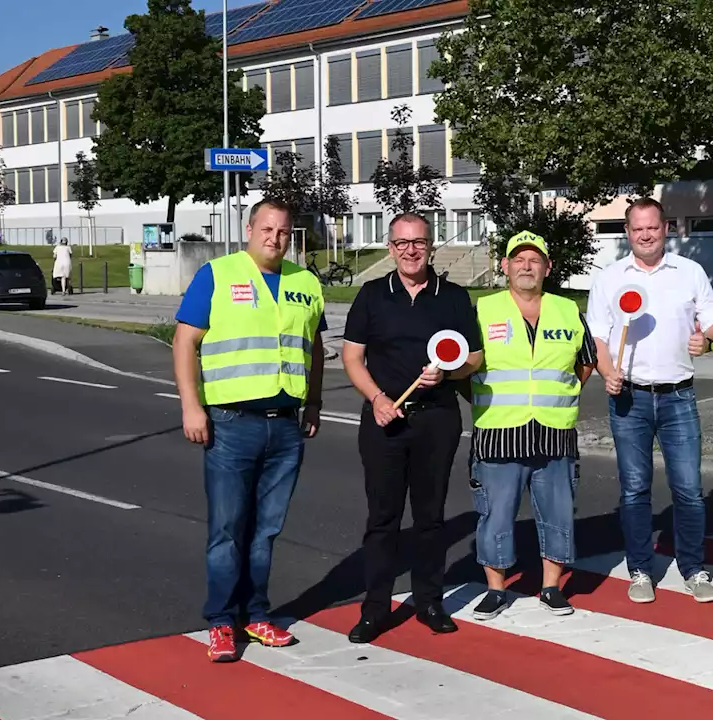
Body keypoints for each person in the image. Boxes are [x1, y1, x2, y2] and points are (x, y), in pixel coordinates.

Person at [171, 198, 326, 662]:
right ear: (250, 228)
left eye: (282, 232)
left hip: (284, 428)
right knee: (228, 529)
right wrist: (191, 407)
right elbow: (185, 341)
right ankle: (221, 621)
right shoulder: (217, 275)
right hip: (231, 424)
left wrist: (314, 401)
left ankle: (256, 614)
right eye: (266, 229)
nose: (274, 238)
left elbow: (314, 348)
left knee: (267, 530)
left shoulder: (306, 283)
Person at [341, 213, 483, 643]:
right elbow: (351, 357)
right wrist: (378, 399)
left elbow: (475, 358)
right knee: (383, 518)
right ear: (390, 248)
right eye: (402, 243)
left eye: (418, 242)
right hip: (385, 420)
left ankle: (430, 601)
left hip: (437, 420)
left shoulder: (454, 297)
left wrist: (451, 372)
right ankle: (375, 609)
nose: (410, 250)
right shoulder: (371, 295)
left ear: (431, 246)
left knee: (430, 517)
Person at [587, 197, 713, 605]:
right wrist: (606, 370)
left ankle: (694, 569)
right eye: (637, 229)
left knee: (688, 489)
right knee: (634, 490)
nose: (645, 235)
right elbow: (597, 334)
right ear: (628, 233)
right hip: (629, 397)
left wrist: (710, 338)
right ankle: (641, 570)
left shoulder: (690, 272)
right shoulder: (610, 278)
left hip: (678, 396)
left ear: (666, 228)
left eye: (652, 227)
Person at [466, 231, 597, 621]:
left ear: (547, 267)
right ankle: (495, 590)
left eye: (534, 260)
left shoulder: (567, 310)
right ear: (505, 267)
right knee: (496, 514)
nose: (526, 266)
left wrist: (564, 390)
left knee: (557, 512)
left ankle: (551, 587)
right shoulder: (483, 310)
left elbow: (586, 359)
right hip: (498, 433)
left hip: (554, 432)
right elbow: (466, 365)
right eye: (518, 259)